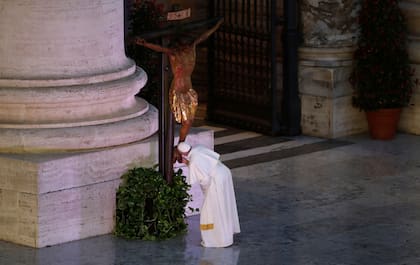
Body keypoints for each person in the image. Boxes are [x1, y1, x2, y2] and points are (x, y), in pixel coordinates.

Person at [133, 19, 224, 162]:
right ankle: (178, 147)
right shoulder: (174, 53)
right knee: (184, 121)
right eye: (184, 44)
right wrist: (144, 44)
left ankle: (180, 145)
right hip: (177, 90)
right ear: (180, 45)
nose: (187, 46)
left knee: (189, 121)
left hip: (188, 90)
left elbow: (204, 36)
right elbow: (159, 49)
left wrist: (216, 26)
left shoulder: (192, 47)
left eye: (188, 43)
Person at [177, 142, 240, 248]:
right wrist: (188, 163)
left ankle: (218, 240)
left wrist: (207, 193)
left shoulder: (194, 161)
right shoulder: (198, 149)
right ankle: (226, 235)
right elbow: (205, 165)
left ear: (182, 154)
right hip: (224, 173)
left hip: (216, 182)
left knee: (212, 210)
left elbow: (204, 180)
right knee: (224, 206)